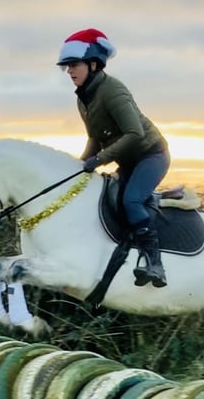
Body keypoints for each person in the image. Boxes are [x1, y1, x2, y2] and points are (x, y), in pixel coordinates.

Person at [56, 28, 170, 288]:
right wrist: (78, 164)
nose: (69, 72)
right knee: (108, 198)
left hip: (151, 155)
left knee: (131, 200)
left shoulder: (113, 90)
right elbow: (95, 139)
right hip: (128, 160)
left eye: (74, 65)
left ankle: (156, 264)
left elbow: (134, 133)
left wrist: (100, 160)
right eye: (67, 67)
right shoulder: (83, 98)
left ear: (93, 64)